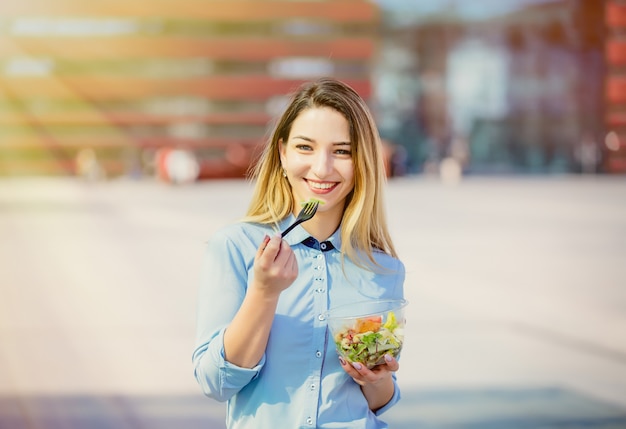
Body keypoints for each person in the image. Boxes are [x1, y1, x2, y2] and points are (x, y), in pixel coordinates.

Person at [192, 77, 406, 428]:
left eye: (342, 151)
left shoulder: (382, 267)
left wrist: (377, 378)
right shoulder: (234, 247)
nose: (322, 169)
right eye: (305, 147)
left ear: (362, 161)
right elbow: (215, 383)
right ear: (282, 153)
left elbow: (380, 401)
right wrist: (263, 292)